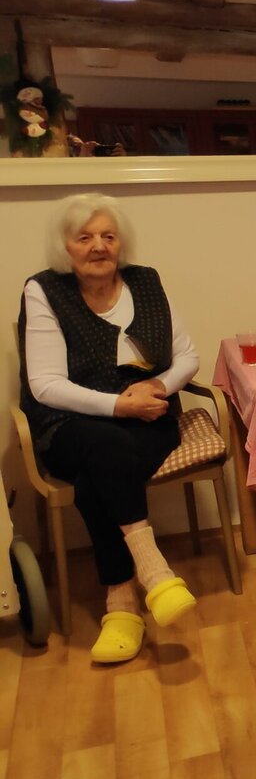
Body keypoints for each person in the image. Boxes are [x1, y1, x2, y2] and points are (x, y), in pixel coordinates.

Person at [18, 193, 200, 664]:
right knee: (104, 445)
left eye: (108, 236)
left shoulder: (146, 281)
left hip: (149, 417)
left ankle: (121, 604)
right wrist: (119, 405)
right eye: (84, 237)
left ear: (121, 243)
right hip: (68, 425)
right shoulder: (44, 290)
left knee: (96, 476)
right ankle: (153, 571)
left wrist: (158, 386)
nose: (98, 246)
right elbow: (45, 384)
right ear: (65, 247)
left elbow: (187, 357)